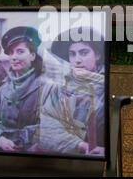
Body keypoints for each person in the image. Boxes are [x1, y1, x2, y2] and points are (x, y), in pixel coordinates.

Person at [39, 27, 106, 156]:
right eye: (72, 54)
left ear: (97, 55)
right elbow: (46, 126)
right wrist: (79, 145)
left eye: (84, 52)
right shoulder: (61, 86)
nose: (77, 60)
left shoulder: (106, 86)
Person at [0, 27, 47, 152]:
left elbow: (51, 127)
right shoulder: (4, 87)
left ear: (33, 55)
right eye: (11, 53)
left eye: (20, 51)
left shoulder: (45, 87)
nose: (14, 57)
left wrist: (24, 142)